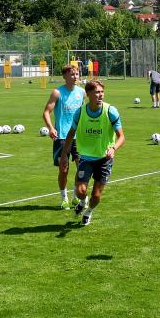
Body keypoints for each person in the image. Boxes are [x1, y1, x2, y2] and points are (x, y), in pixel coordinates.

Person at [59, 80, 124, 226]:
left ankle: (88, 212)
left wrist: (113, 148)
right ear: (88, 94)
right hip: (86, 158)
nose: (100, 95)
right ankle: (83, 201)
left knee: (96, 195)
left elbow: (122, 137)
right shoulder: (80, 112)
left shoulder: (110, 111)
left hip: (104, 159)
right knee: (81, 190)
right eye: (96, 92)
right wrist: (64, 156)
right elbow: (70, 134)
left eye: (102, 92)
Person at [42, 64, 85, 208]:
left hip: (79, 137)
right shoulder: (57, 93)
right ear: (65, 76)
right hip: (62, 138)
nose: (75, 77)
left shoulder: (82, 92)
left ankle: (76, 197)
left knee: (82, 169)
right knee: (64, 169)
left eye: (77, 74)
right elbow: (46, 112)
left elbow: (84, 113)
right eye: (72, 74)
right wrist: (51, 128)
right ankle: (64, 198)